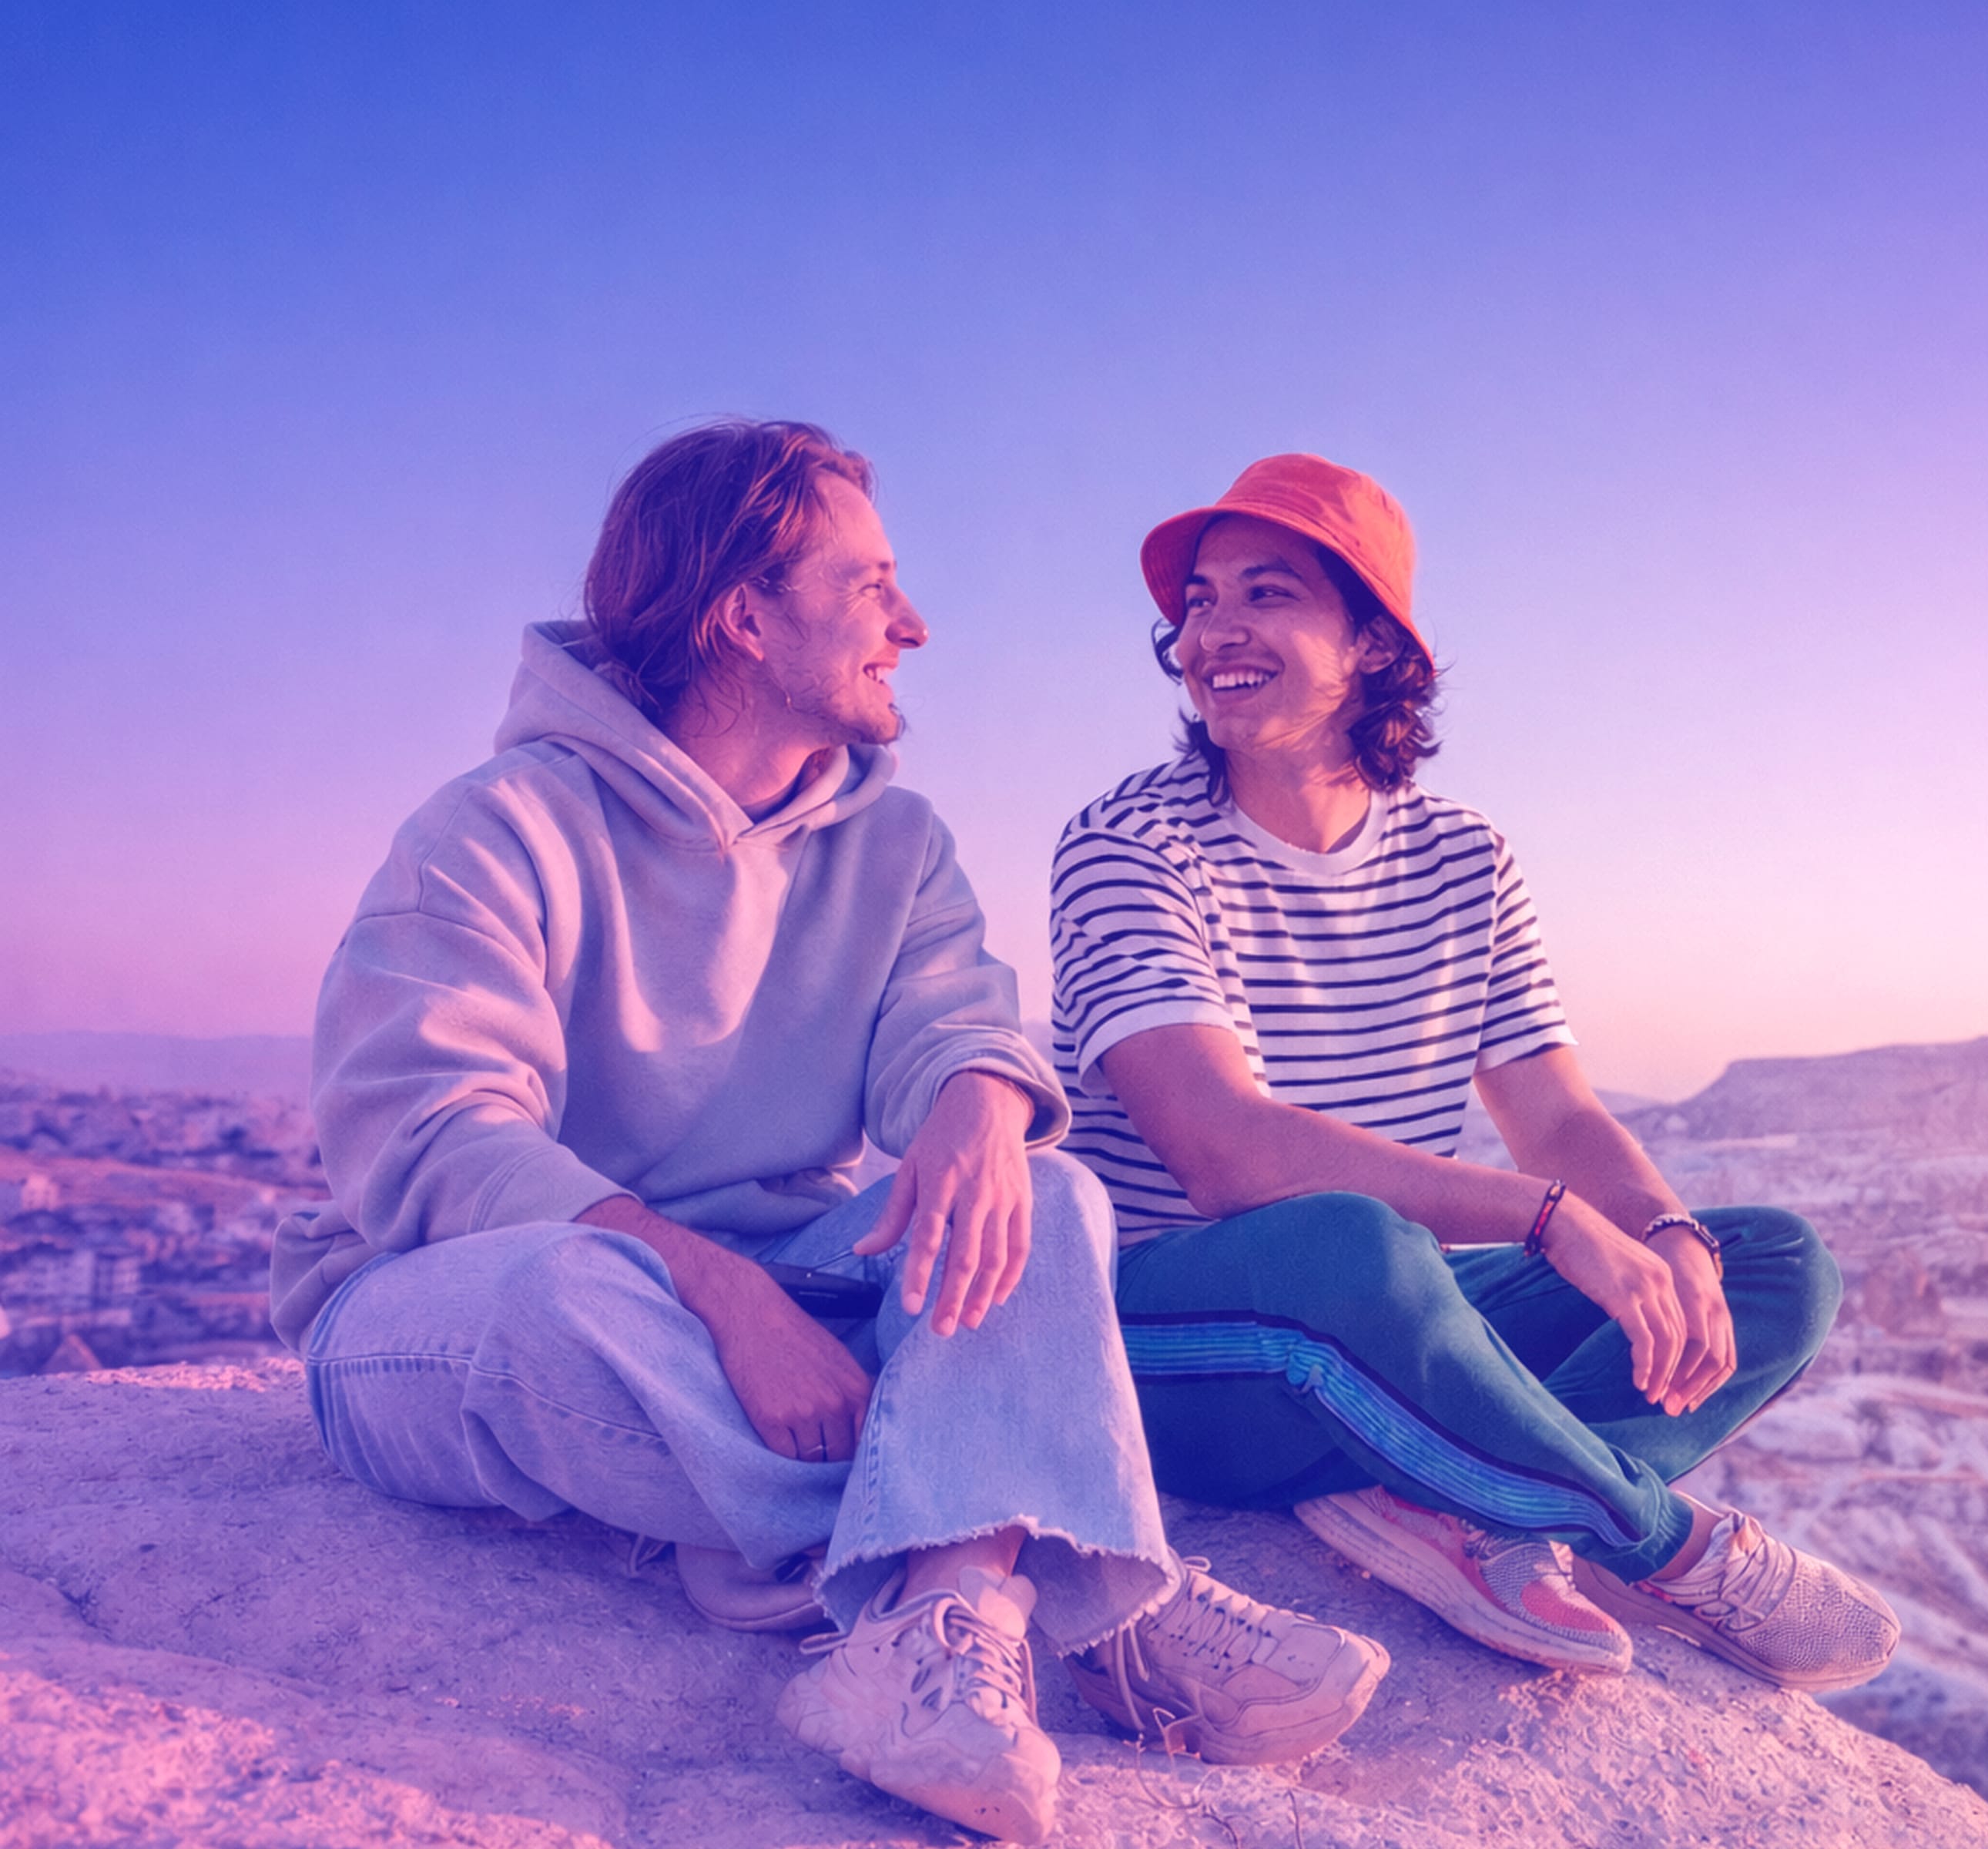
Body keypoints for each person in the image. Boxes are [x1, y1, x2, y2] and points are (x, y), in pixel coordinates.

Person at [270, 421, 1386, 1845]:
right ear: (743, 615)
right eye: (871, 588)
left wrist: (978, 1101)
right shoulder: (496, 829)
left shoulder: (895, 844)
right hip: (461, 1302)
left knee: (1046, 1194)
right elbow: (432, 1139)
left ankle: (935, 1615)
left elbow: (954, 1023)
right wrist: (722, 1295)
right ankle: (1086, 1578)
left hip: (790, 1290)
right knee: (565, 1298)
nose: (913, 626)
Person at [1047, 454, 1899, 1691]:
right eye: (1198, 602)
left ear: (1373, 644)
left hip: (1392, 1320)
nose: (1212, 632)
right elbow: (1223, 1154)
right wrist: (1546, 1219)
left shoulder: (1463, 855)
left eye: (1266, 594)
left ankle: (1455, 1503)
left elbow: (1555, 1112)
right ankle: (1658, 1540)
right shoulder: (1130, 844)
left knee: (1769, 1262)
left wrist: (1663, 1232)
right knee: (1352, 1243)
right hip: (1181, 1341)